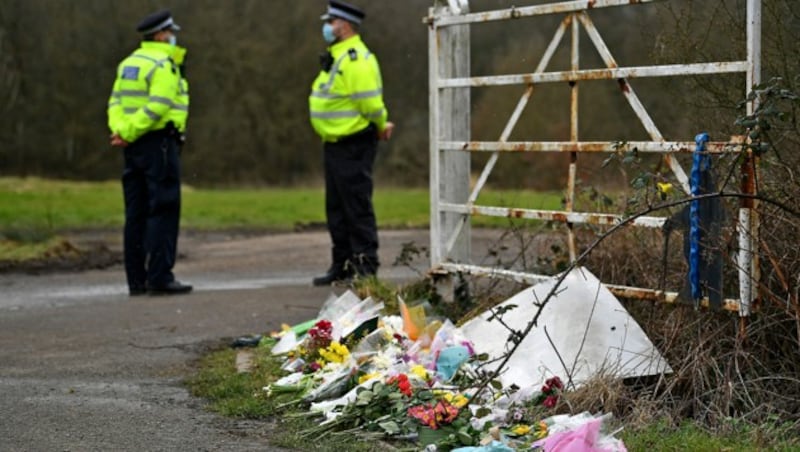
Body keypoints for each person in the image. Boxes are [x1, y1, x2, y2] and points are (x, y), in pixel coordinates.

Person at [309, 0, 395, 286]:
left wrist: (382, 124)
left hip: (353, 142)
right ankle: (342, 264)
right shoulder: (339, 55)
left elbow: (369, 102)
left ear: (344, 25)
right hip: (335, 143)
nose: (327, 27)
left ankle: (365, 267)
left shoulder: (355, 58)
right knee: (337, 208)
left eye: (331, 22)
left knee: (356, 205)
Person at [107, 10, 192, 296]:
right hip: (159, 144)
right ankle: (159, 277)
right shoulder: (164, 64)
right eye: (170, 33)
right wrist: (132, 132)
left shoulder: (128, 63)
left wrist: (122, 132)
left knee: (136, 212)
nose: (173, 37)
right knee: (163, 209)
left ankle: (136, 280)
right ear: (160, 35)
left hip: (131, 147)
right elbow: (158, 106)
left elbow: (115, 103)